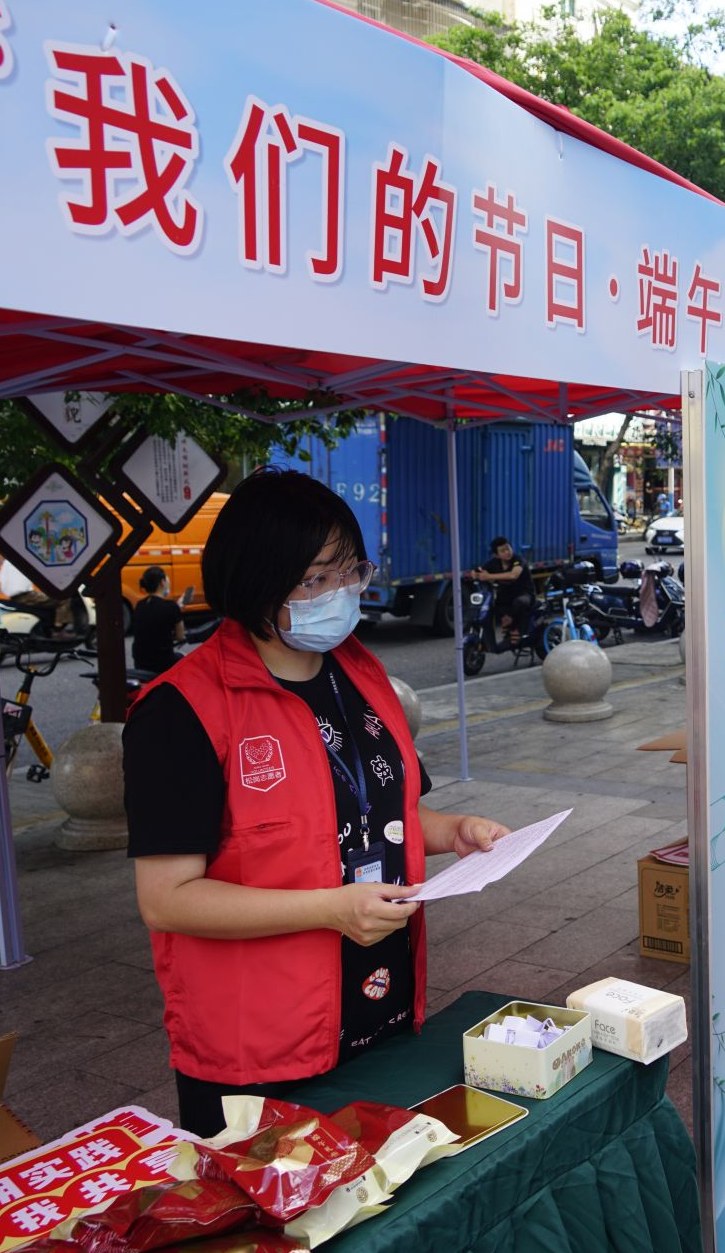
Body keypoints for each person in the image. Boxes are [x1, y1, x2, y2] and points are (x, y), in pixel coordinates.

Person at [123, 470, 512, 1136]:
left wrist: (455, 831)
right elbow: (167, 896)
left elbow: (382, 811)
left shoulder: (358, 674)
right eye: (314, 580)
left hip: (379, 1005)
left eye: (349, 571)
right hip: (259, 1048)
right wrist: (328, 909)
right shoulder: (182, 710)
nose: (340, 595)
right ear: (254, 583)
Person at [469, 536, 534, 648]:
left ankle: (514, 629)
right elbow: (479, 570)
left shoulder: (518, 560)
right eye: (503, 551)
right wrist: (475, 573)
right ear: (496, 555)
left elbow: (513, 575)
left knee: (519, 603)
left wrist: (489, 576)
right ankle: (505, 630)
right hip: (506, 596)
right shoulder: (494, 563)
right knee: (491, 606)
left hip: (524, 594)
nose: (507, 552)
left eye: (508, 548)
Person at [131, 566, 186, 673]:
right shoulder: (171, 606)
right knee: (185, 657)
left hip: (140, 664)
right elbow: (180, 637)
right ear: (162, 582)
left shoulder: (140, 605)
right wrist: (177, 610)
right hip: (163, 664)